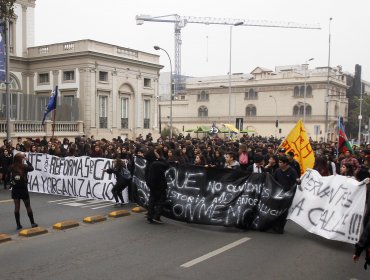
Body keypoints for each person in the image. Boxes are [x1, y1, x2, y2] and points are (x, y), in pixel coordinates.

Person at [9, 153, 38, 230]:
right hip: (23, 188)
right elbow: (32, 168)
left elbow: (9, 173)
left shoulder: (12, 167)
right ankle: (32, 223)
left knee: (16, 207)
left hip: (15, 188)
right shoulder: (24, 166)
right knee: (28, 206)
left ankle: (18, 225)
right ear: (21, 159)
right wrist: (27, 161)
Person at [272, 156, 299, 234]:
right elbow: (273, 180)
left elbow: (297, 179)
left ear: (285, 163)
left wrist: (298, 180)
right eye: (279, 162)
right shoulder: (277, 171)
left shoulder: (292, 171)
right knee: (277, 210)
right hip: (279, 194)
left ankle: (280, 227)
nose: (279, 164)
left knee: (284, 211)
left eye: (280, 162)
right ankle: (275, 225)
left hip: (288, 195)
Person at [145, 153, 170, 224]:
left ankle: (150, 216)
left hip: (152, 185)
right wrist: (160, 158)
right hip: (159, 185)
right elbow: (166, 165)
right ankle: (157, 216)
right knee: (161, 200)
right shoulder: (156, 164)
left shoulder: (148, 163)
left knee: (152, 201)